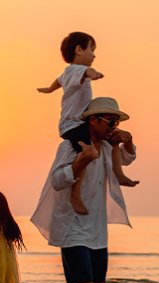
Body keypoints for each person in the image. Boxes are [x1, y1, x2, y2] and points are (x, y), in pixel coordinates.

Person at [30, 97, 137, 283]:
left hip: (97, 229)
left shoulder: (109, 148)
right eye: (110, 121)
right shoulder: (71, 147)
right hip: (72, 225)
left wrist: (129, 141)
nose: (114, 126)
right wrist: (82, 160)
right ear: (93, 120)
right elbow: (57, 180)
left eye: (117, 122)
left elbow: (127, 159)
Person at [37, 32, 138, 215]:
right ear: (78, 50)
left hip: (74, 123)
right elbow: (86, 72)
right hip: (74, 124)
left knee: (114, 140)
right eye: (91, 49)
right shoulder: (77, 71)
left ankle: (119, 174)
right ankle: (75, 194)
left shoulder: (67, 74)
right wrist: (94, 73)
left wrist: (48, 89)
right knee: (87, 154)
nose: (94, 54)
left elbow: (57, 82)